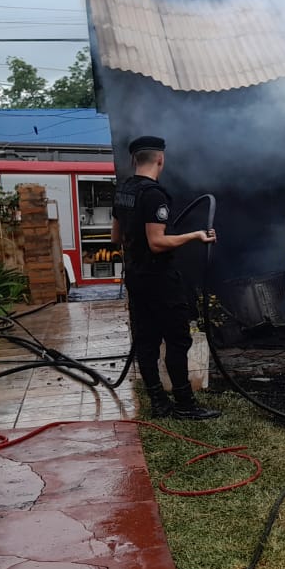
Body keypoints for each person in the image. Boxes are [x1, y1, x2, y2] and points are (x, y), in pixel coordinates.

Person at [112, 135, 220, 420]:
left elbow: (115, 237)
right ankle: (185, 404)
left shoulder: (123, 190)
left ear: (134, 159)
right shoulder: (154, 195)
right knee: (176, 339)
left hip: (135, 276)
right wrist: (195, 235)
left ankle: (159, 401)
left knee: (146, 340)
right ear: (160, 159)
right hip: (160, 278)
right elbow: (157, 242)